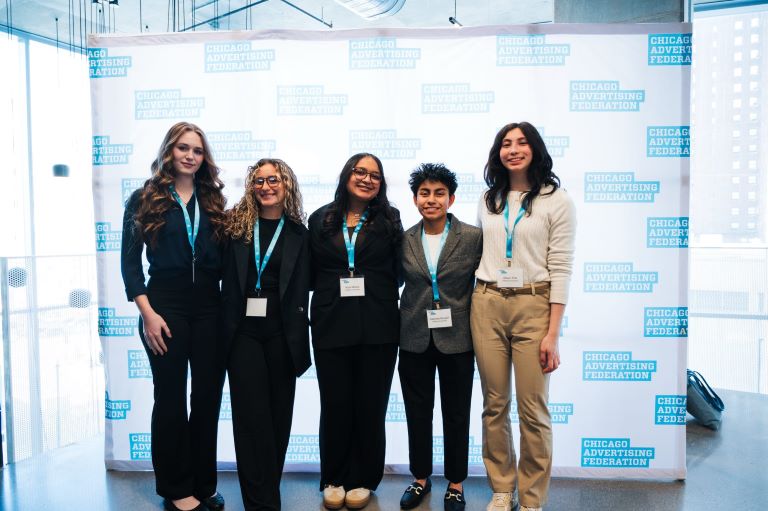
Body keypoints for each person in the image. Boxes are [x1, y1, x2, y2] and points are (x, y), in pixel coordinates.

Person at [121, 122, 227, 511]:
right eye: (182, 148)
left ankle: (203, 484)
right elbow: (129, 266)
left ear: (204, 158)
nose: (189, 155)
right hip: (163, 309)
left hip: (209, 310)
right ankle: (176, 489)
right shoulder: (144, 198)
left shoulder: (213, 200)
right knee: (169, 400)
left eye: (197, 150)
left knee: (206, 400)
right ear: (169, 151)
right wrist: (148, 314)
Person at [471, 122, 576, 511]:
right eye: (506, 143)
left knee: (533, 408)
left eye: (522, 142)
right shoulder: (489, 199)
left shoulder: (557, 200)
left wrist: (553, 334)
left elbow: (561, 267)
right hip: (486, 303)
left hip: (534, 304)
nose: (513, 149)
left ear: (535, 149)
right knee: (494, 403)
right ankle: (502, 487)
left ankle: (531, 498)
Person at [308, 153, 403, 510]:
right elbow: (312, 270)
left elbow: (399, 272)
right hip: (331, 323)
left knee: (370, 403)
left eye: (374, 175)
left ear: (381, 183)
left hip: (378, 324)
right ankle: (333, 476)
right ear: (346, 175)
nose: (366, 179)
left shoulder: (389, 219)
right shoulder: (321, 219)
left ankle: (363, 478)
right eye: (359, 171)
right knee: (334, 404)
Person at [220, 158, 311, 511]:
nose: (266, 186)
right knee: (249, 419)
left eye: (273, 180)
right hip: (242, 336)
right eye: (259, 181)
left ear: (286, 184)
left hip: (283, 337)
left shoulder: (300, 235)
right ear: (251, 187)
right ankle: (260, 502)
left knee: (277, 419)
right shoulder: (236, 229)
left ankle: (267, 492)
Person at [397, 163, 482, 511]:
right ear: (415, 198)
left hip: (458, 338)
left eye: (439, 193)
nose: (431, 200)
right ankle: (419, 479)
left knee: (457, 412)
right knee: (418, 412)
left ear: (451, 198)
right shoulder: (404, 239)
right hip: (414, 336)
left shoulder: (473, 237)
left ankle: (456, 483)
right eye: (424, 193)